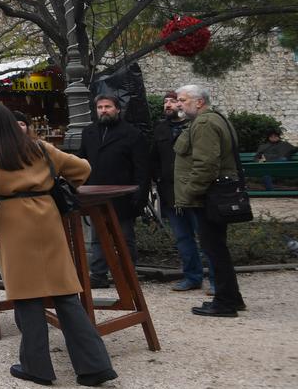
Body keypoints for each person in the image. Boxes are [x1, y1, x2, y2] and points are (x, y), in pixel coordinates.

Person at [0, 103, 117, 387]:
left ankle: (37, 367)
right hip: (48, 218)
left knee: (26, 295)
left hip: (13, 223)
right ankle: (94, 366)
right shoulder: (39, 148)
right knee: (65, 293)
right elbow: (82, 168)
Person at [175, 83, 247, 318]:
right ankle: (232, 298)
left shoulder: (205, 123)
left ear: (199, 102)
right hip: (213, 194)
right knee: (217, 249)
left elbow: (206, 165)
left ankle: (225, 303)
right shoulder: (216, 119)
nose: (179, 104)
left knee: (214, 249)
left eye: (183, 100)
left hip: (208, 197)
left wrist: (188, 193)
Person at [73, 91, 151, 288]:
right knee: (97, 237)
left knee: (124, 237)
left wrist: (140, 197)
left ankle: (127, 274)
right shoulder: (89, 132)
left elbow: (142, 168)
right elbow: (81, 163)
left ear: (117, 109)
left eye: (107, 107)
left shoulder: (133, 134)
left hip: (123, 196)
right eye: (100, 107)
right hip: (95, 195)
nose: (103, 111)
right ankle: (98, 275)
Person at [152, 90, 207, 292]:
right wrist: (159, 177)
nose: (168, 105)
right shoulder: (160, 129)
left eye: (173, 101)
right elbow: (155, 158)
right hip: (170, 193)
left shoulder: (196, 126)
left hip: (194, 192)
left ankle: (219, 281)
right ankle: (192, 276)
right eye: (165, 101)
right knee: (183, 237)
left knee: (206, 236)